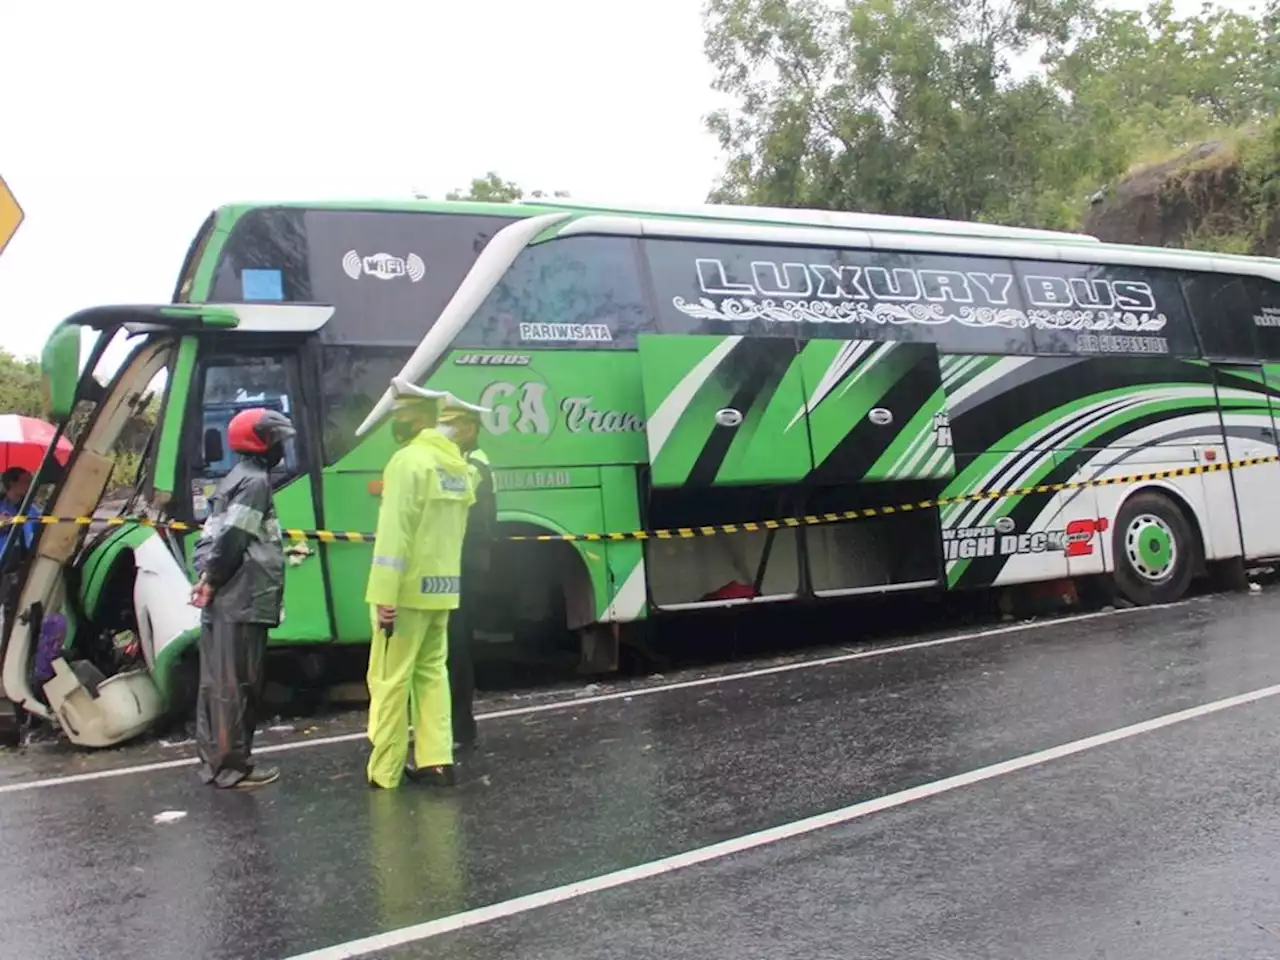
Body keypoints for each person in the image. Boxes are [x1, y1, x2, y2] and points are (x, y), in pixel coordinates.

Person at [364, 377, 486, 790]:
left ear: (417, 420)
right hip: (443, 589)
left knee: (390, 678)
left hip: (404, 592)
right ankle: (437, 761)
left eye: (401, 416)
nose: (396, 423)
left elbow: (393, 535)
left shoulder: (407, 462)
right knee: (433, 673)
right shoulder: (458, 466)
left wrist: (383, 595)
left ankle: (385, 771)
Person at [190, 408, 295, 790]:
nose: (282, 448)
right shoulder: (255, 483)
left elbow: (211, 539)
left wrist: (206, 577)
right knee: (237, 686)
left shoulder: (233, 478)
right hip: (242, 597)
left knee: (216, 684)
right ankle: (233, 767)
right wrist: (213, 579)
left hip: (225, 596)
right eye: (278, 440)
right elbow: (235, 537)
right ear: (261, 441)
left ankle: (215, 764)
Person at [436, 401, 495, 752]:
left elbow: (453, 494)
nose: (446, 432)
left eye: (452, 425)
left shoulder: (474, 465)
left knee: (455, 647)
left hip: (465, 566)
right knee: (450, 645)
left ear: (470, 429)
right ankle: (456, 725)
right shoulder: (468, 461)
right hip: (459, 564)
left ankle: (461, 727)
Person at [0, 467, 40, 562]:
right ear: (12, 483)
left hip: (22, 560)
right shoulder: (2, 504)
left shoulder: (32, 509)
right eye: (26, 481)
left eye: (31, 481)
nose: (30, 485)